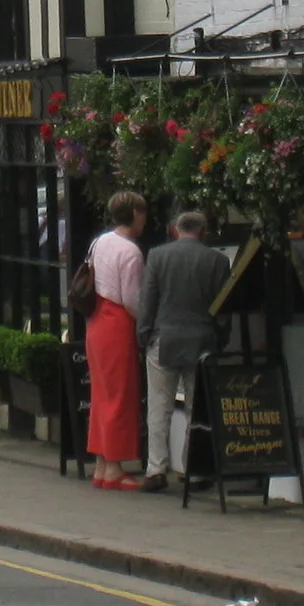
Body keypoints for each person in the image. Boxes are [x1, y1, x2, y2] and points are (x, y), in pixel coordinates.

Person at [138, 210, 229, 491]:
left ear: (175, 229)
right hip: (201, 340)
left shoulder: (157, 256)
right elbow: (222, 309)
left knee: (159, 407)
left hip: (163, 339)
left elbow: (147, 301)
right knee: (196, 410)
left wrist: (144, 336)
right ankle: (194, 470)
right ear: (203, 232)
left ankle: (156, 470)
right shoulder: (218, 261)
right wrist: (220, 340)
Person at [84, 189, 148, 490]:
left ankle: (100, 463)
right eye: (143, 213)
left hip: (95, 321)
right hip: (117, 323)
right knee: (121, 395)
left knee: (101, 394)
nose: (145, 219)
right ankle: (114, 467)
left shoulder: (100, 241)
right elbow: (132, 299)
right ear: (135, 214)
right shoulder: (131, 251)